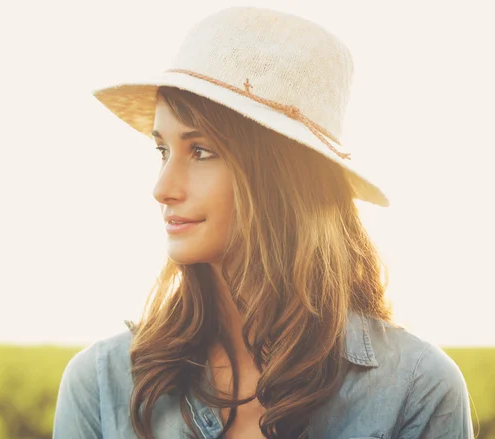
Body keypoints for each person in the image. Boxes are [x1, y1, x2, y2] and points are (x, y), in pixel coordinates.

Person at [52, 7, 473, 439]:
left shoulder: (416, 389)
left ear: (283, 178)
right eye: (162, 150)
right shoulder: (101, 383)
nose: (162, 188)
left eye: (200, 151)